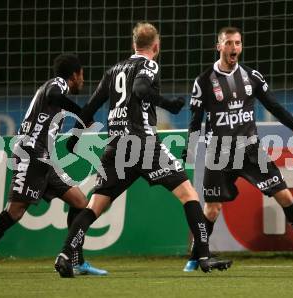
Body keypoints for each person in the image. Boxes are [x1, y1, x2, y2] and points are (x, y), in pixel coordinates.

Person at [54, 22, 233, 278]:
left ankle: (64, 253)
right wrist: (168, 103)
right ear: (156, 46)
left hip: (116, 145)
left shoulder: (113, 70)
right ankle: (203, 255)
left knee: (95, 205)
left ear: (133, 44)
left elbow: (90, 107)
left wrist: (75, 136)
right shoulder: (149, 64)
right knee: (189, 195)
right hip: (143, 142)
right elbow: (140, 88)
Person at [182, 27, 293, 272]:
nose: (234, 48)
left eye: (238, 43)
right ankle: (195, 257)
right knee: (212, 209)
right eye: (229, 43)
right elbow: (195, 120)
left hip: (251, 150)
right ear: (219, 46)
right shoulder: (203, 81)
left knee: (285, 196)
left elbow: (273, 106)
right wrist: (190, 147)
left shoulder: (252, 77)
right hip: (219, 153)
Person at [0, 54, 107, 279]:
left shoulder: (57, 90)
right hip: (31, 152)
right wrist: (81, 113)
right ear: (75, 75)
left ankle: (76, 261)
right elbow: (53, 94)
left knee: (79, 201)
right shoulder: (58, 84)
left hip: (45, 157)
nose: (83, 81)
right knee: (15, 211)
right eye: (82, 75)